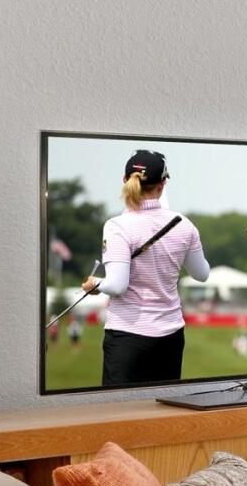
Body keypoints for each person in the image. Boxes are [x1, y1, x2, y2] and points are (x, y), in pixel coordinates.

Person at [81, 148, 213, 387]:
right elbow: (202, 274)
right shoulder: (184, 225)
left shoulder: (117, 226)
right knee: (160, 406)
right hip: (170, 335)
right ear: (162, 185)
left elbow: (117, 285)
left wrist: (95, 284)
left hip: (127, 335)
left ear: (124, 180)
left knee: (119, 407)